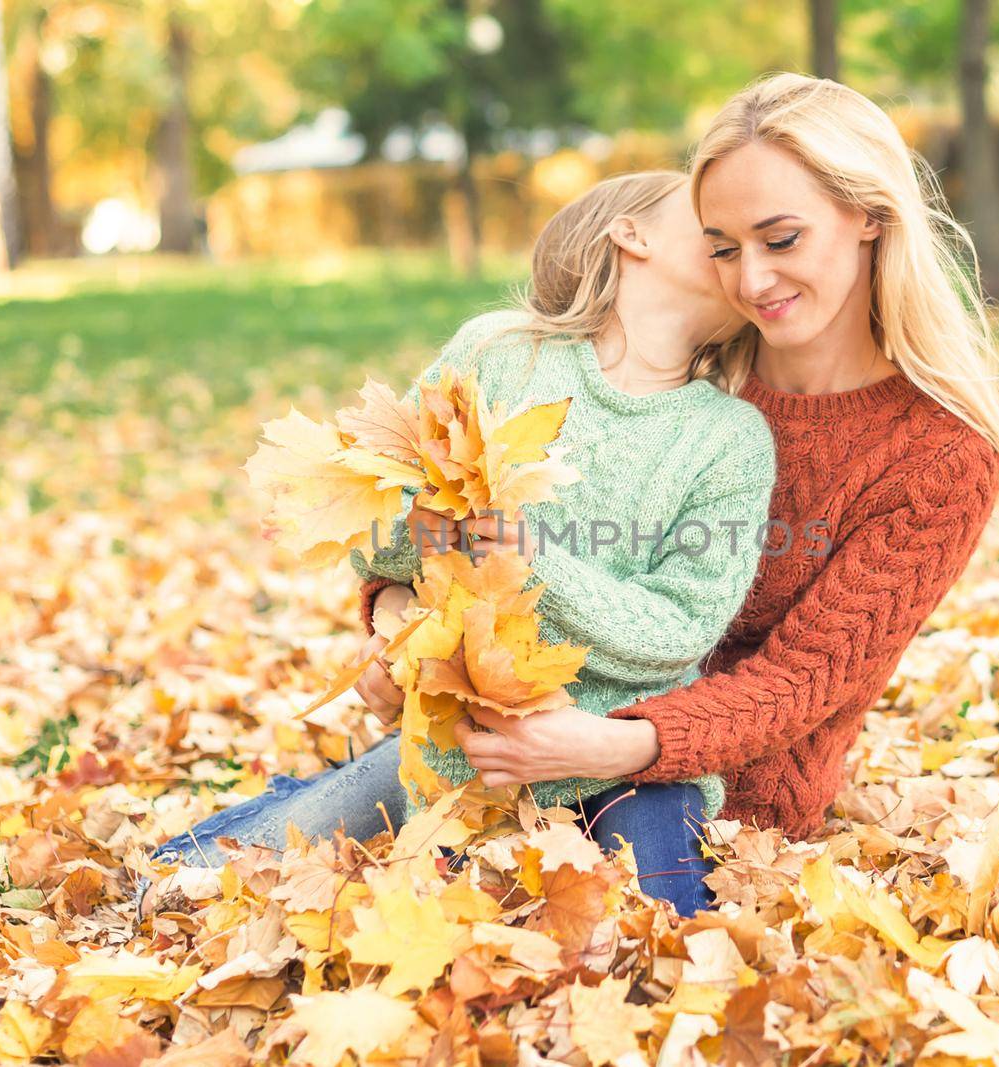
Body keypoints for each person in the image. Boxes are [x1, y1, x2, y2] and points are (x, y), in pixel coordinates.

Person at [357, 72, 999, 850]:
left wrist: (614, 743)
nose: (752, 280)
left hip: (718, 807)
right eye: (722, 250)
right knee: (271, 847)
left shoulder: (939, 456)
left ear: (870, 216)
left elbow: (799, 678)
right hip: (509, 736)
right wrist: (393, 620)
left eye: (781, 240)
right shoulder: (685, 376)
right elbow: (476, 529)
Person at [137, 170, 777, 921]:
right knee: (198, 882)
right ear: (630, 234)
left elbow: (681, 626)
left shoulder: (730, 439)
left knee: (659, 925)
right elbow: (373, 524)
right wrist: (423, 537)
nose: (733, 241)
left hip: (621, 759)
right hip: (461, 750)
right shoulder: (502, 357)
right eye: (708, 223)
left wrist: (531, 559)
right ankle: (326, 802)